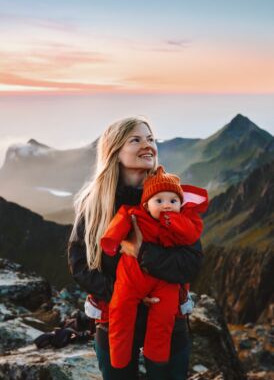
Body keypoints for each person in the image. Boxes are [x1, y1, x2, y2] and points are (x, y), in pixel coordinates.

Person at [68, 116, 204, 380]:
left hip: (168, 321)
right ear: (115, 151)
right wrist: (125, 293)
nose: (148, 145)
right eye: (136, 139)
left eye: (151, 139)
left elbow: (192, 262)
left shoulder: (170, 198)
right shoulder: (94, 205)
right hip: (113, 319)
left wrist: (143, 252)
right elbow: (79, 264)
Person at [100, 165, 208, 368]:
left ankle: (156, 358)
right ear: (146, 204)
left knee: (164, 318)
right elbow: (119, 223)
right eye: (159, 201)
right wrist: (112, 241)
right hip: (132, 277)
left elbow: (191, 239)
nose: (167, 206)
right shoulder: (134, 215)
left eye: (173, 201)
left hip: (164, 282)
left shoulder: (182, 220)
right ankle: (119, 358)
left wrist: (172, 221)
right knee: (121, 310)